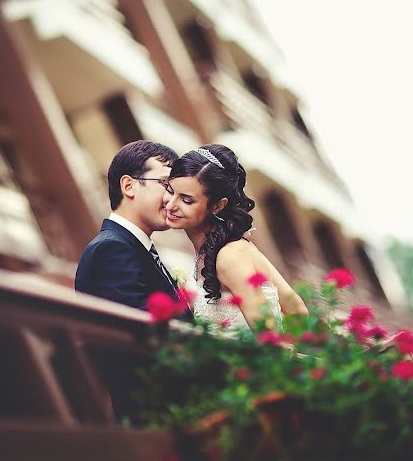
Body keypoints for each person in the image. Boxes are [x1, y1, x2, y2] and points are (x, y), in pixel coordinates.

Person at [164, 144, 308, 331]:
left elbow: (270, 335)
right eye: (169, 190)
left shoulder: (230, 256)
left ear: (217, 206)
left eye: (186, 200)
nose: (170, 205)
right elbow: (297, 309)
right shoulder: (224, 250)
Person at [75, 140, 180, 310]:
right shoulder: (111, 250)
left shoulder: (130, 247)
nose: (172, 198)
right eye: (166, 184)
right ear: (128, 186)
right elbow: (138, 331)